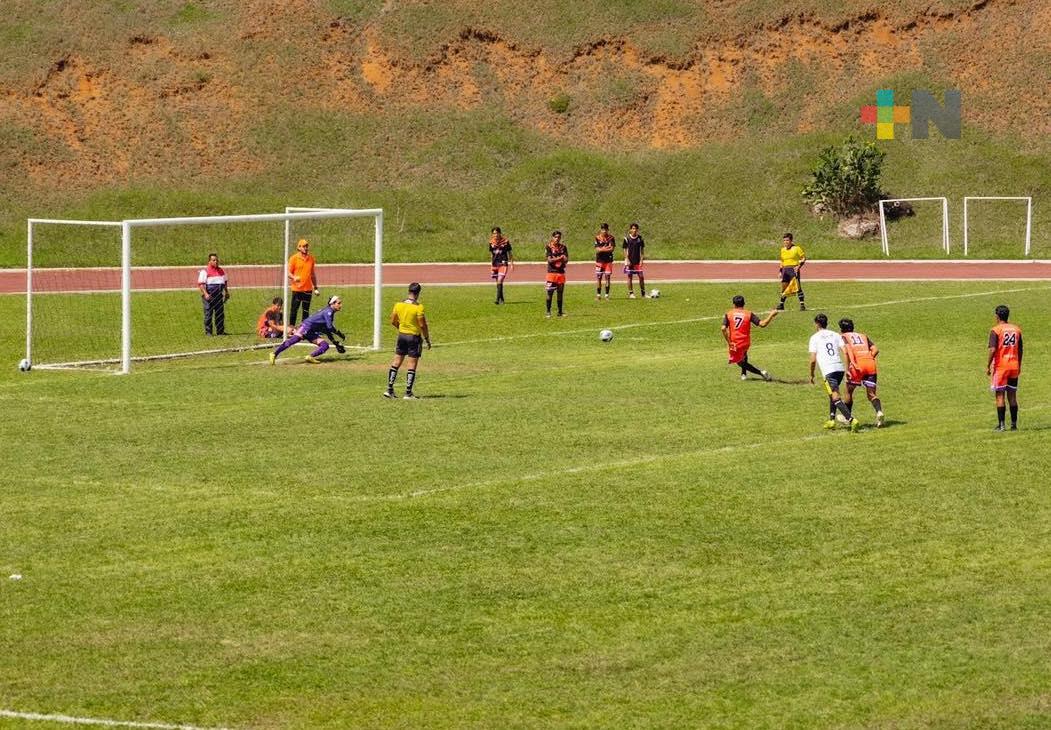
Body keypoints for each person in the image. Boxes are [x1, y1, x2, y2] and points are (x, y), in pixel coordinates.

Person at [808, 313, 859, 432]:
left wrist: (811, 374)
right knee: (832, 393)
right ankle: (831, 420)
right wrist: (847, 369)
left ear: (816, 324)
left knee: (835, 396)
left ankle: (851, 419)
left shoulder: (814, 338)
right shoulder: (835, 334)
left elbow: (812, 360)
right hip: (839, 369)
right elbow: (845, 351)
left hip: (828, 371)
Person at [385, 282, 431, 399]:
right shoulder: (418, 307)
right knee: (412, 364)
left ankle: (389, 389)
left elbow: (393, 320)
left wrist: (400, 328)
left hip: (401, 335)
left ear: (409, 291)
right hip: (413, 337)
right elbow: (422, 325)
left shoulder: (398, 305)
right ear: (418, 293)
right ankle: (408, 392)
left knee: (396, 362)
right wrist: (426, 338)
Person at [269, 295, 344, 364]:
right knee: (293, 341)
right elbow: (330, 327)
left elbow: (327, 330)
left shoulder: (329, 312)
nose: (340, 305)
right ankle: (274, 354)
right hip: (306, 326)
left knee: (325, 345)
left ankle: (310, 357)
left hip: (311, 331)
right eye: (339, 303)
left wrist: (335, 342)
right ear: (332, 304)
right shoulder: (328, 312)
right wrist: (338, 334)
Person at [838, 318, 885, 427]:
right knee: (871, 394)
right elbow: (875, 349)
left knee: (849, 391)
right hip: (870, 364)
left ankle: (847, 417)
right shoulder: (863, 336)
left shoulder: (843, 337)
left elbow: (847, 352)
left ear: (842, 329)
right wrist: (869, 358)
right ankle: (879, 412)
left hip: (857, 365)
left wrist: (848, 367)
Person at [721, 295, 777, 381]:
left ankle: (761, 373)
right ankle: (743, 374)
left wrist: (729, 342)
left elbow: (723, 328)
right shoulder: (749, 314)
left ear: (734, 304)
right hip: (746, 342)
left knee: (739, 362)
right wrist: (771, 315)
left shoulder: (729, 314)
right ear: (744, 304)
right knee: (743, 355)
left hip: (735, 343)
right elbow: (762, 324)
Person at [987, 304, 1023, 431]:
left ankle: (1001, 425)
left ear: (997, 316)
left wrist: (988, 365)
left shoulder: (995, 330)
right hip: (1014, 366)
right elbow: (1020, 350)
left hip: (1001, 367)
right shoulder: (1016, 329)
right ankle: (1014, 425)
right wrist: (1019, 365)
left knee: (1000, 395)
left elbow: (992, 349)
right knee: (1012, 395)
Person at [287, 238, 319, 326]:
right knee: (294, 309)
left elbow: (312, 274)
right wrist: (294, 277)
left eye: (307, 246)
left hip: (308, 289)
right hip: (297, 289)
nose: (306, 248)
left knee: (306, 310)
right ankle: (291, 329)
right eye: (304, 246)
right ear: (299, 247)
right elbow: (288, 273)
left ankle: (304, 328)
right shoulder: (294, 258)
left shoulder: (311, 259)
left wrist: (315, 287)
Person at [197, 252, 229, 336]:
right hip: (209, 297)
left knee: (220, 315)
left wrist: (226, 292)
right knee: (208, 315)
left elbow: (225, 282)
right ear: (209, 261)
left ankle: (220, 332)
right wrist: (206, 294)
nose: (216, 262)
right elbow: (201, 284)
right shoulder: (205, 271)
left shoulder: (221, 271)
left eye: (217, 260)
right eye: (214, 260)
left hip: (219, 297)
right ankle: (209, 332)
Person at [777, 233, 806, 311]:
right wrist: (780, 271)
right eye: (784, 240)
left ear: (791, 241)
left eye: (787, 240)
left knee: (797, 287)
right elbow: (782, 261)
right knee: (784, 288)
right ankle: (781, 305)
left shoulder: (796, 248)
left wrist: (799, 266)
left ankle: (802, 305)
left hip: (793, 269)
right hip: (785, 270)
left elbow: (803, 258)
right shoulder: (782, 249)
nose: (785, 242)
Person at [544, 231, 569, 318]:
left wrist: (559, 259)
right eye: (555, 237)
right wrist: (560, 258)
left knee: (560, 293)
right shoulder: (548, 247)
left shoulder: (563, 247)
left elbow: (566, 259)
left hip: (561, 273)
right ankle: (548, 311)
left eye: (559, 237)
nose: (557, 239)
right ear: (552, 237)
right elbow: (549, 260)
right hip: (552, 273)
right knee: (549, 293)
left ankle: (560, 312)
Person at [488, 227, 514, 304]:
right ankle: (501, 299)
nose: (495, 235)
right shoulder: (491, 242)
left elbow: (510, 253)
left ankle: (497, 299)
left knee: (500, 280)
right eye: (494, 233)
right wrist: (490, 265)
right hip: (495, 263)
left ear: (500, 233)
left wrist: (512, 264)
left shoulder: (505, 242)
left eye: (497, 233)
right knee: (498, 282)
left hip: (503, 263)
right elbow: (491, 254)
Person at [622, 222, 646, 298]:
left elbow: (642, 250)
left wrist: (641, 260)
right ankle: (631, 293)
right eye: (633, 228)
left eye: (635, 228)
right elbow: (625, 250)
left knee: (641, 277)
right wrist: (627, 259)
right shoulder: (626, 239)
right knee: (630, 277)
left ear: (637, 230)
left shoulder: (640, 238)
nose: (634, 230)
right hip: (630, 261)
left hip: (637, 261)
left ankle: (643, 294)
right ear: (630, 230)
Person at [593, 222, 616, 300]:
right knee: (599, 277)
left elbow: (612, 249)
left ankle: (606, 295)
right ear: (601, 230)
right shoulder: (597, 238)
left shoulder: (611, 238)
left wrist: (602, 249)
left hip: (608, 260)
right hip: (599, 260)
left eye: (606, 229)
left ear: (608, 230)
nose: (604, 231)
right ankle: (598, 295)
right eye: (603, 229)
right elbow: (597, 250)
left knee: (607, 277)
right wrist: (606, 248)